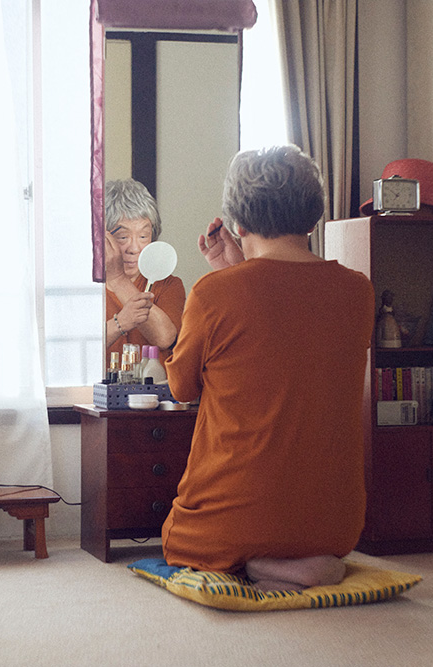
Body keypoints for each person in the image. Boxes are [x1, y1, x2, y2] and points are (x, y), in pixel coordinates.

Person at [161, 145, 375, 591]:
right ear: (314, 218)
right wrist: (236, 270)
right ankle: (305, 562)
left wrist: (226, 276)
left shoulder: (212, 293)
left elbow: (181, 387)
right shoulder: (358, 292)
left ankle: (259, 564)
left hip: (234, 522)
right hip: (333, 527)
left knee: (176, 543)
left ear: (238, 223)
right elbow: (287, 332)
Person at [103, 179, 185, 368]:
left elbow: (165, 338)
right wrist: (120, 323)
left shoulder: (167, 285)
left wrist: (118, 280)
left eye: (143, 236)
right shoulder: (86, 287)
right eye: (123, 237)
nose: (134, 248)